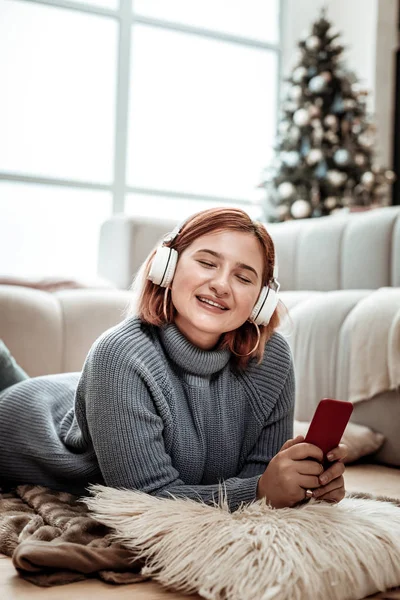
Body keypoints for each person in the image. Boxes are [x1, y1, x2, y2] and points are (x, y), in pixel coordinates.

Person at [0, 208, 346, 510]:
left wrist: (301, 483)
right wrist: (258, 492)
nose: (221, 285)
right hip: (27, 420)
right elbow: (146, 500)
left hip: (86, 392)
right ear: (167, 267)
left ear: (261, 299)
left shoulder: (272, 359)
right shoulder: (119, 354)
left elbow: (262, 477)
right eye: (207, 263)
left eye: (243, 277)